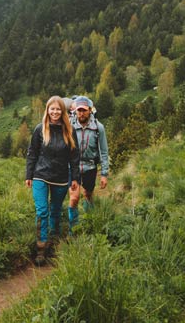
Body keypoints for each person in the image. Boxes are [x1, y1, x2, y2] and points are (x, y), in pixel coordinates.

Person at [25, 95, 80, 265]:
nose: (55, 112)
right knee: (42, 210)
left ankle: (53, 242)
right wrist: (29, 175)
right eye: (52, 109)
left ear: (62, 112)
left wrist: (75, 178)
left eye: (58, 109)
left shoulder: (70, 131)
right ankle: (41, 248)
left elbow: (74, 157)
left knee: (56, 211)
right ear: (47, 110)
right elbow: (32, 153)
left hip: (61, 178)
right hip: (40, 175)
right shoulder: (40, 129)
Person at [67, 95, 109, 234]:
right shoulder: (69, 126)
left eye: (84, 110)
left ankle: (90, 222)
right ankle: (74, 229)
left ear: (90, 110)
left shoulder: (98, 128)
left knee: (88, 195)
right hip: (73, 167)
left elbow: (104, 151)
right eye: (79, 110)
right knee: (74, 198)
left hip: (90, 167)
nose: (81, 113)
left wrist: (104, 174)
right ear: (75, 111)